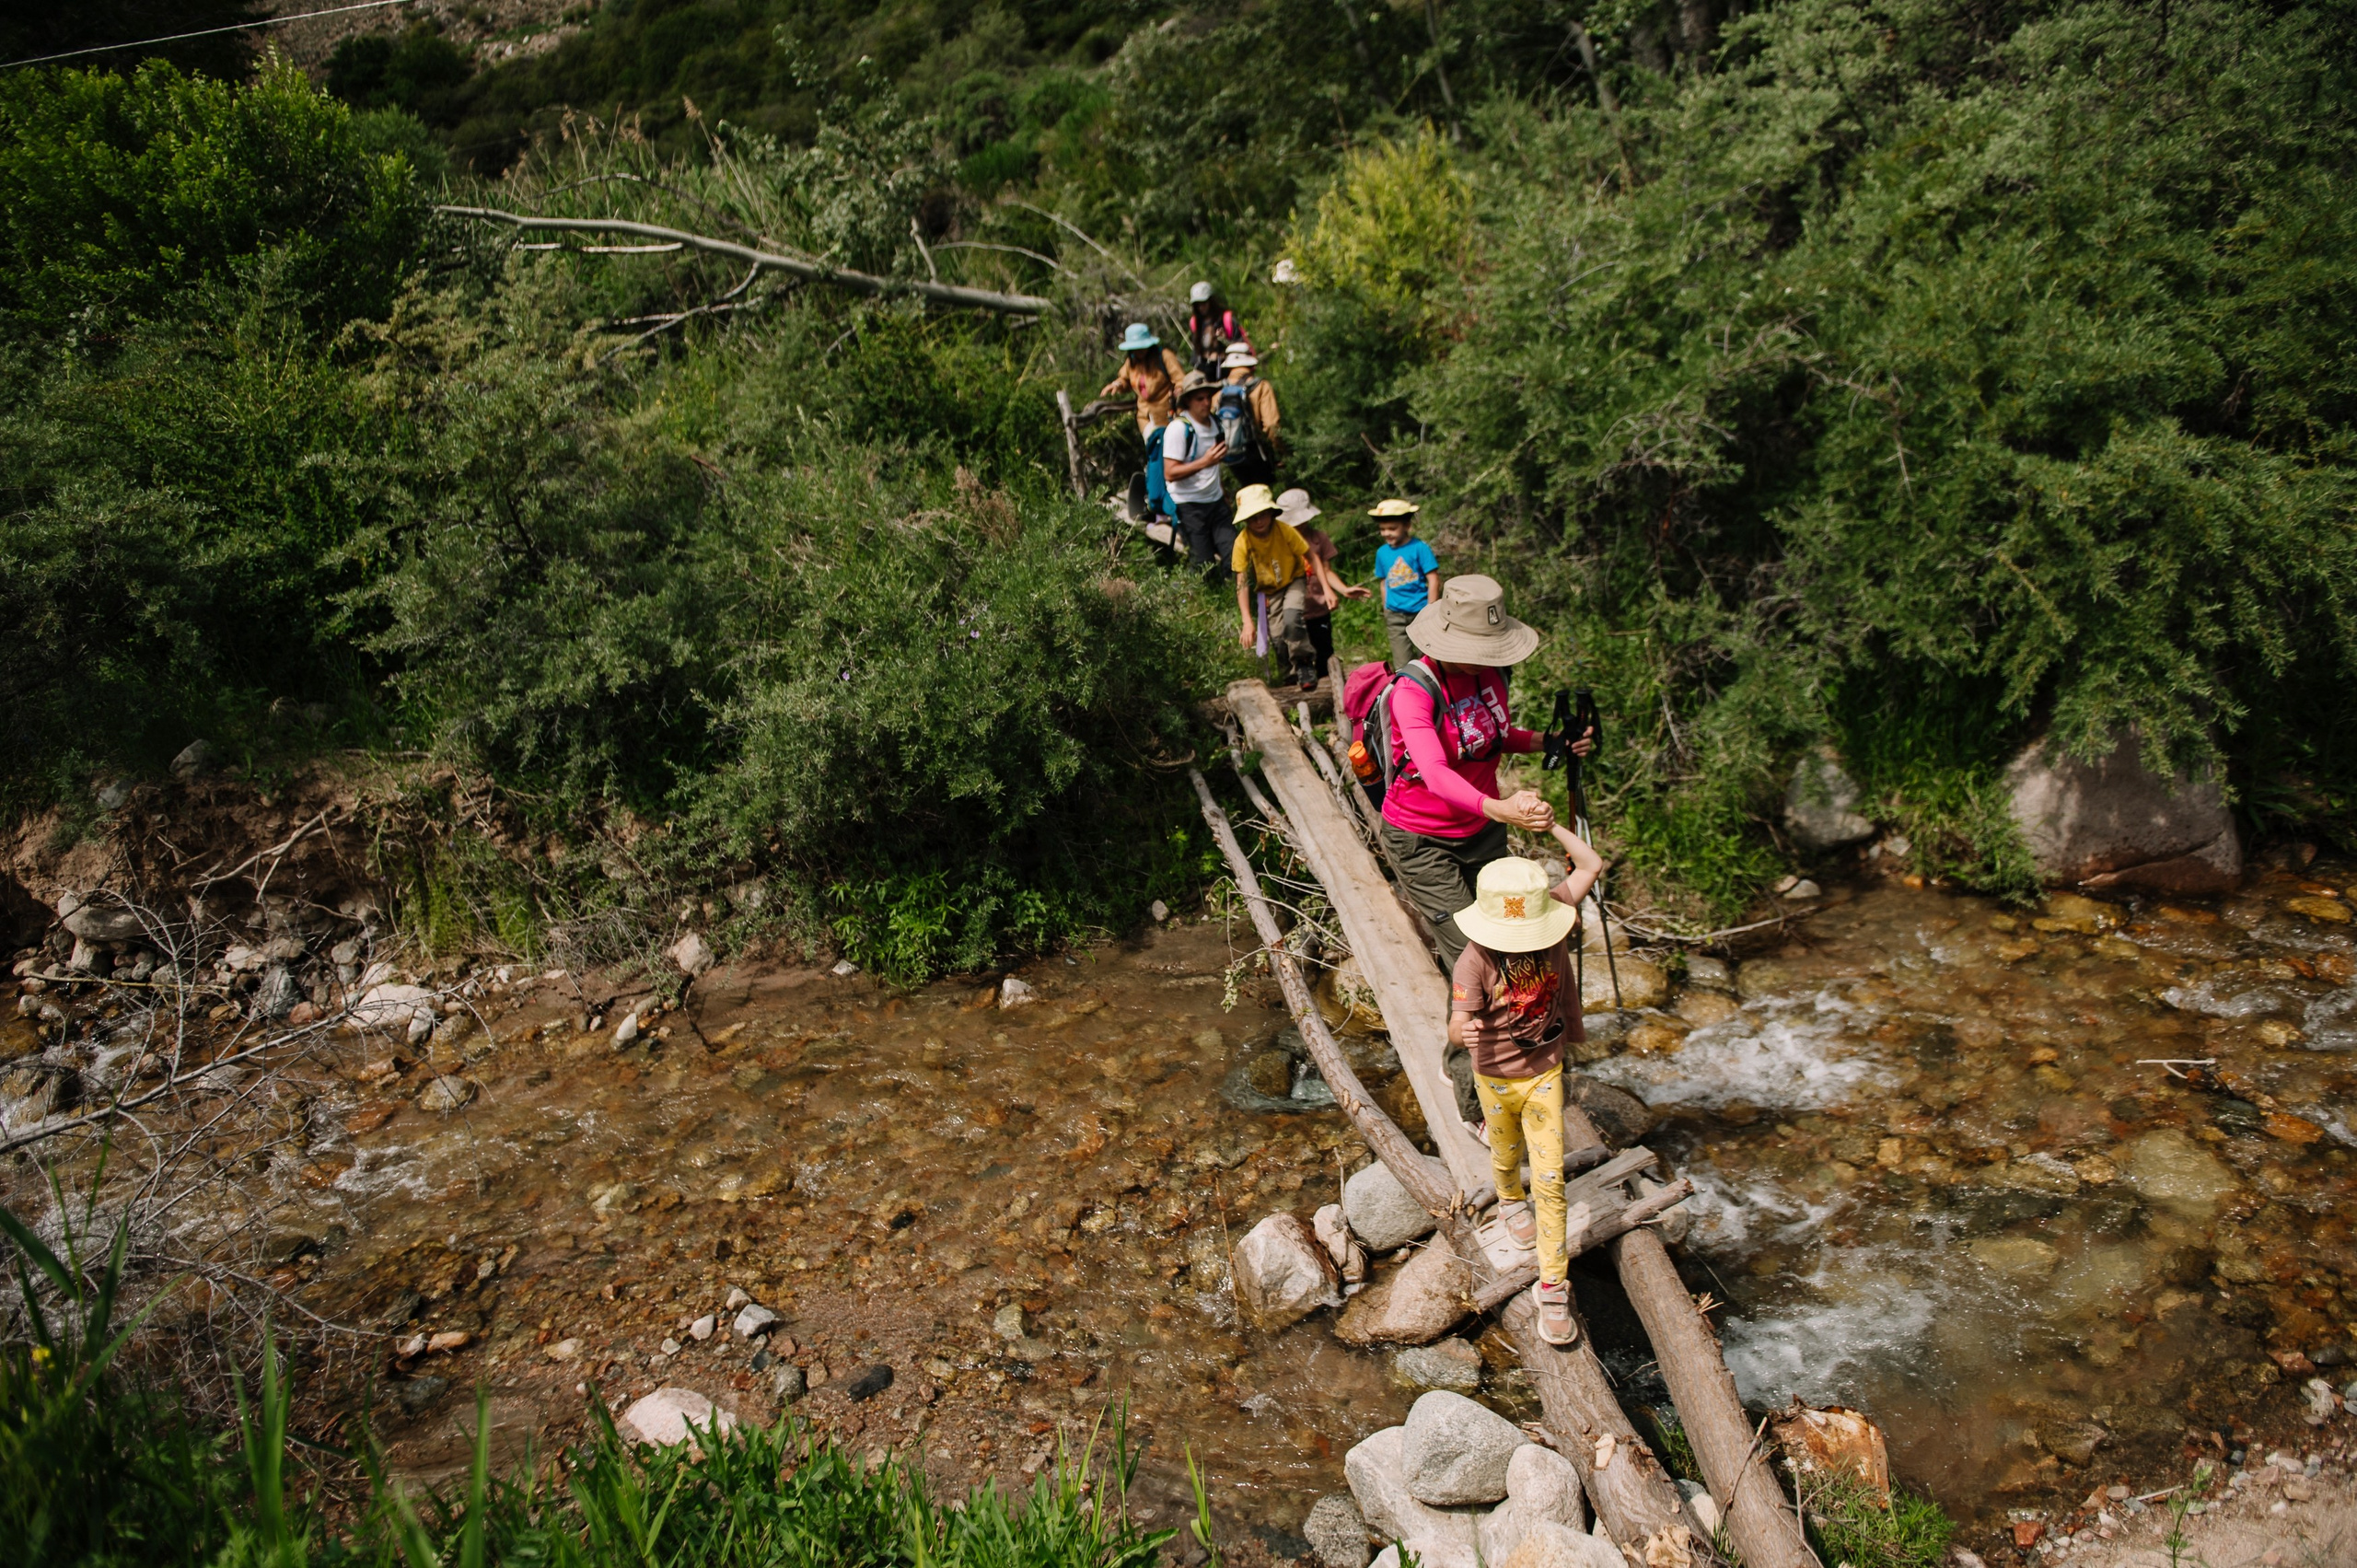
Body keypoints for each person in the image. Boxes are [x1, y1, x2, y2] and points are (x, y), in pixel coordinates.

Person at [1377, 574, 1594, 1121]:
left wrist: (1552, 741)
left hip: (1482, 835)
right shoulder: (1414, 690)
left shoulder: (1490, 676)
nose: (1488, 657)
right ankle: (1475, 1105)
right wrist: (1498, 807)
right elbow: (1433, 769)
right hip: (1422, 840)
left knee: (1521, 941)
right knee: (1472, 956)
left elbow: (1496, 735)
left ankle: (1524, 1060)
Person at [1447, 834, 1602, 1347]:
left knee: (1552, 1177)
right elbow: (1456, 1022)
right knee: (1506, 1150)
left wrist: (1552, 826)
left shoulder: (1553, 908)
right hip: (1493, 1074)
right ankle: (1510, 1199)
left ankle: (1552, 1283)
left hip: (1543, 1073)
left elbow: (1590, 863)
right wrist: (1459, 1033)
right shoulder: (1473, 961)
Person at [1233, 483, 1360, 689]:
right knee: (1277, 636)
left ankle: (1303, 662)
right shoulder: (1243, 541)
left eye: (1262, 515)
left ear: (1271, 513)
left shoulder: (1284, 531)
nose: (1258, 521)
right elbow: (1241, 582)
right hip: (1270, 589)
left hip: (1294, 580)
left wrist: (1328, 589)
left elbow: (1312, 557)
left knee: (1292, 620)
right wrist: (1247, 621)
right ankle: (1289, 676)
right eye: (1252, 517)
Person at [1279, 487, 1364, 678]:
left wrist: (1343, 589)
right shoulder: (1279, 541)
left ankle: (1328, 687)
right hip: (1292, 610)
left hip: (1317, 608)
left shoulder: (1318, 538)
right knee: (1293, 655)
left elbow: (1326, 571)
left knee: (1323, 651)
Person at [1164, 370, 1232, 580]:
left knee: (1234, 555)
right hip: (1189, 505)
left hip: (1216, 501)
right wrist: (1205, 462)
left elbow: (1214, 468)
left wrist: (1223, 493)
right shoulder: (1178, 428)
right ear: (1188, 402)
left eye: (1208, 397)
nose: (1206, 403)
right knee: (1204, 566)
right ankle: (1192, 600)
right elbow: (1170, 472)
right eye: (1199, 399)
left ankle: (1238, 598)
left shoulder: (1215, 423)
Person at [1371, 499, 1439, 670]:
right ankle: (1407, 690)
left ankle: (1435, 691)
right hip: (1395, 615)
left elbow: (1433, 579)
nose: (1387, 533)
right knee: (1402, 664)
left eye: (1392, 529)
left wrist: (1430, 610)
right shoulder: (1382, 553)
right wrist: (1386, 607)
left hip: (1420, 612)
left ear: (1407, 526)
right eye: (1382, 529)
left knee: (1429, 659)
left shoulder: (1419, 548)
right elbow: (1383, 582)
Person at [1101, 321, 1188, 440]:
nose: (1139, 351)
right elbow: (1124, 379)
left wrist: (1178, 391)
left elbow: (1180, 379)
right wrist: (1117, 385)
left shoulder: (1164, 356)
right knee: (1154, 452)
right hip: (1145, 417)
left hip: (1167, 415)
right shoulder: (1131, 362)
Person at [1218, 343, 1281, 488]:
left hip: (1229, 456)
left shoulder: (1219, 390)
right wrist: (1279, 452)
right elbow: (1272, 425)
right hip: (1256, 454)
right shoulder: (1261, 386)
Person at [1188, 281, 1242, 376]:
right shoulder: (1196, 323)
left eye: (1204, 303)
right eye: (1197, 304)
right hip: (1203, 368)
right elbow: (1196, 350)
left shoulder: (1226, 319)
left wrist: (1224, 340)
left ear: (1211, 301)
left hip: (1226, 369)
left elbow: (1240, 344)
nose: (1201, 307)